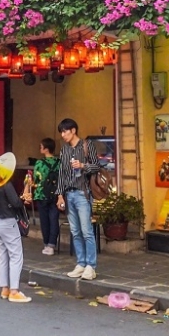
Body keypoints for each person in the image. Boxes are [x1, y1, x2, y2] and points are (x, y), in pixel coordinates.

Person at [54, 118, 99, 280]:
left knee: (87, 231)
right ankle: (81, 263)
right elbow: (62, 173)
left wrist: (82, 166)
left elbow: (97, 166)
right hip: (69, 194)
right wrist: (60, 194)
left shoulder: (87, 146)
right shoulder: (64, 150)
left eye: (65, 131)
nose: (63, 134)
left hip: (83, 193)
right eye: (61, 132)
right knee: (75, 231)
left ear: (73, 130)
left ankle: (91, 266)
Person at [0, 152, 31, 303]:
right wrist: (23, 198)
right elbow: (16, 203)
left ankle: (4, 288)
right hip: (9, 224)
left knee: (3, 257)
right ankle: (14, 290)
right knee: (16, 257)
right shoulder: (7, 185)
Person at [30, 137, 60, 255]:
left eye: (41, 146)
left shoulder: (39, 163)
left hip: (41, 194)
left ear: (46, 149)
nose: (40, 148)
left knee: (44, 221)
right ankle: (52, 244)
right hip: (56, 195)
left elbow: (36, 179)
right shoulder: (59, 162)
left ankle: (46, 244)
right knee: (54, 220)